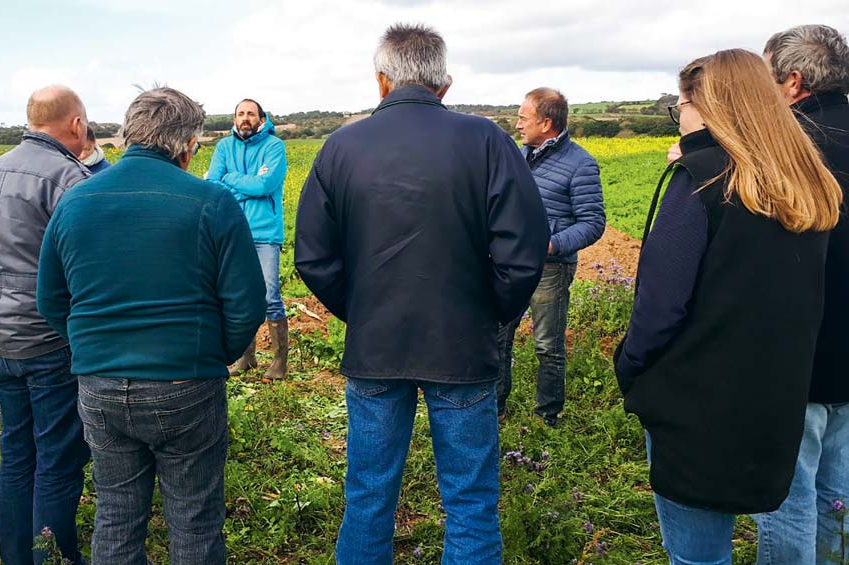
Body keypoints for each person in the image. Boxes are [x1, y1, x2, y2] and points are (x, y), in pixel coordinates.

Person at [295, 24, 549, 564]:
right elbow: (523, 252)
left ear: (382, 81)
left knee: (367, 494)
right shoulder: (487, 140)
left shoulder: (341, 145)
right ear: (444, 85)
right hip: (461, 346)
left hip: (375, 347)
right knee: (471, 500)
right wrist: (490, 313)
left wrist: (361, 311)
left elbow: (314, 257)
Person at [613, 50, 843, 563]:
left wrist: (630, 367)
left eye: (681, 106)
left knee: (699, 554)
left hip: (695, 400)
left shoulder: (701, 178)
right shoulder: (808, 183)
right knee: (791, 508)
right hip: (775, 395)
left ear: (709, 104)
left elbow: (659, 307)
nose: (682, 119)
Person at [37, 86, 265, 564]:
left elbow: (51, 300)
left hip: (98, 383)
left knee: (116, 515)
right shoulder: (211, 201)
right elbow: (247, 304)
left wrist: (94, 349)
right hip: (186, 382)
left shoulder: (76, 201)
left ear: (128, 135)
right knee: (196, 520)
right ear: (188, 144)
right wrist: (207, 355)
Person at [0, 85, 92, 565]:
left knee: (17, 452)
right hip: (49, 342)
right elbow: (81, 270)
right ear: (76, 124)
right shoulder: (68, 179)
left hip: (0, 340)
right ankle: (51, 556)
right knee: (57, 459)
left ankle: (17, 555)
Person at [752, 25, 849, 564]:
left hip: (799, 350)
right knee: (840, 491)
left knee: (788, 492)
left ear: (791, 82)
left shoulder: (785, 147)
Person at [497, 87, 605, 423]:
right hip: (510, 265)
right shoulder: (517, 155)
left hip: (550, 268)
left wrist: (550, 245)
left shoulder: (581, 163)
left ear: (546, 123)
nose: (517, 125)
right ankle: (495, 408)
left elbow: (593, 222)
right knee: (498, 337)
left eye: (523, 118)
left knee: (547, 345)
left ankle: (548, 415)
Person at [206, 98, 289, 379]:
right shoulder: (223, 147)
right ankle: (246, 357)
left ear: (261, 119)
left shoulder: (274, 147)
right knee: (237, 296)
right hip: (232, 231)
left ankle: (279, 362)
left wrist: (230, 178)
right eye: (240, 113)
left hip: (265, 233)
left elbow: (266, 184)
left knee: (269, 296)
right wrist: (246, 184)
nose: (245, 118)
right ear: (234, 118)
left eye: (250, 114)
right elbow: (212, 185)